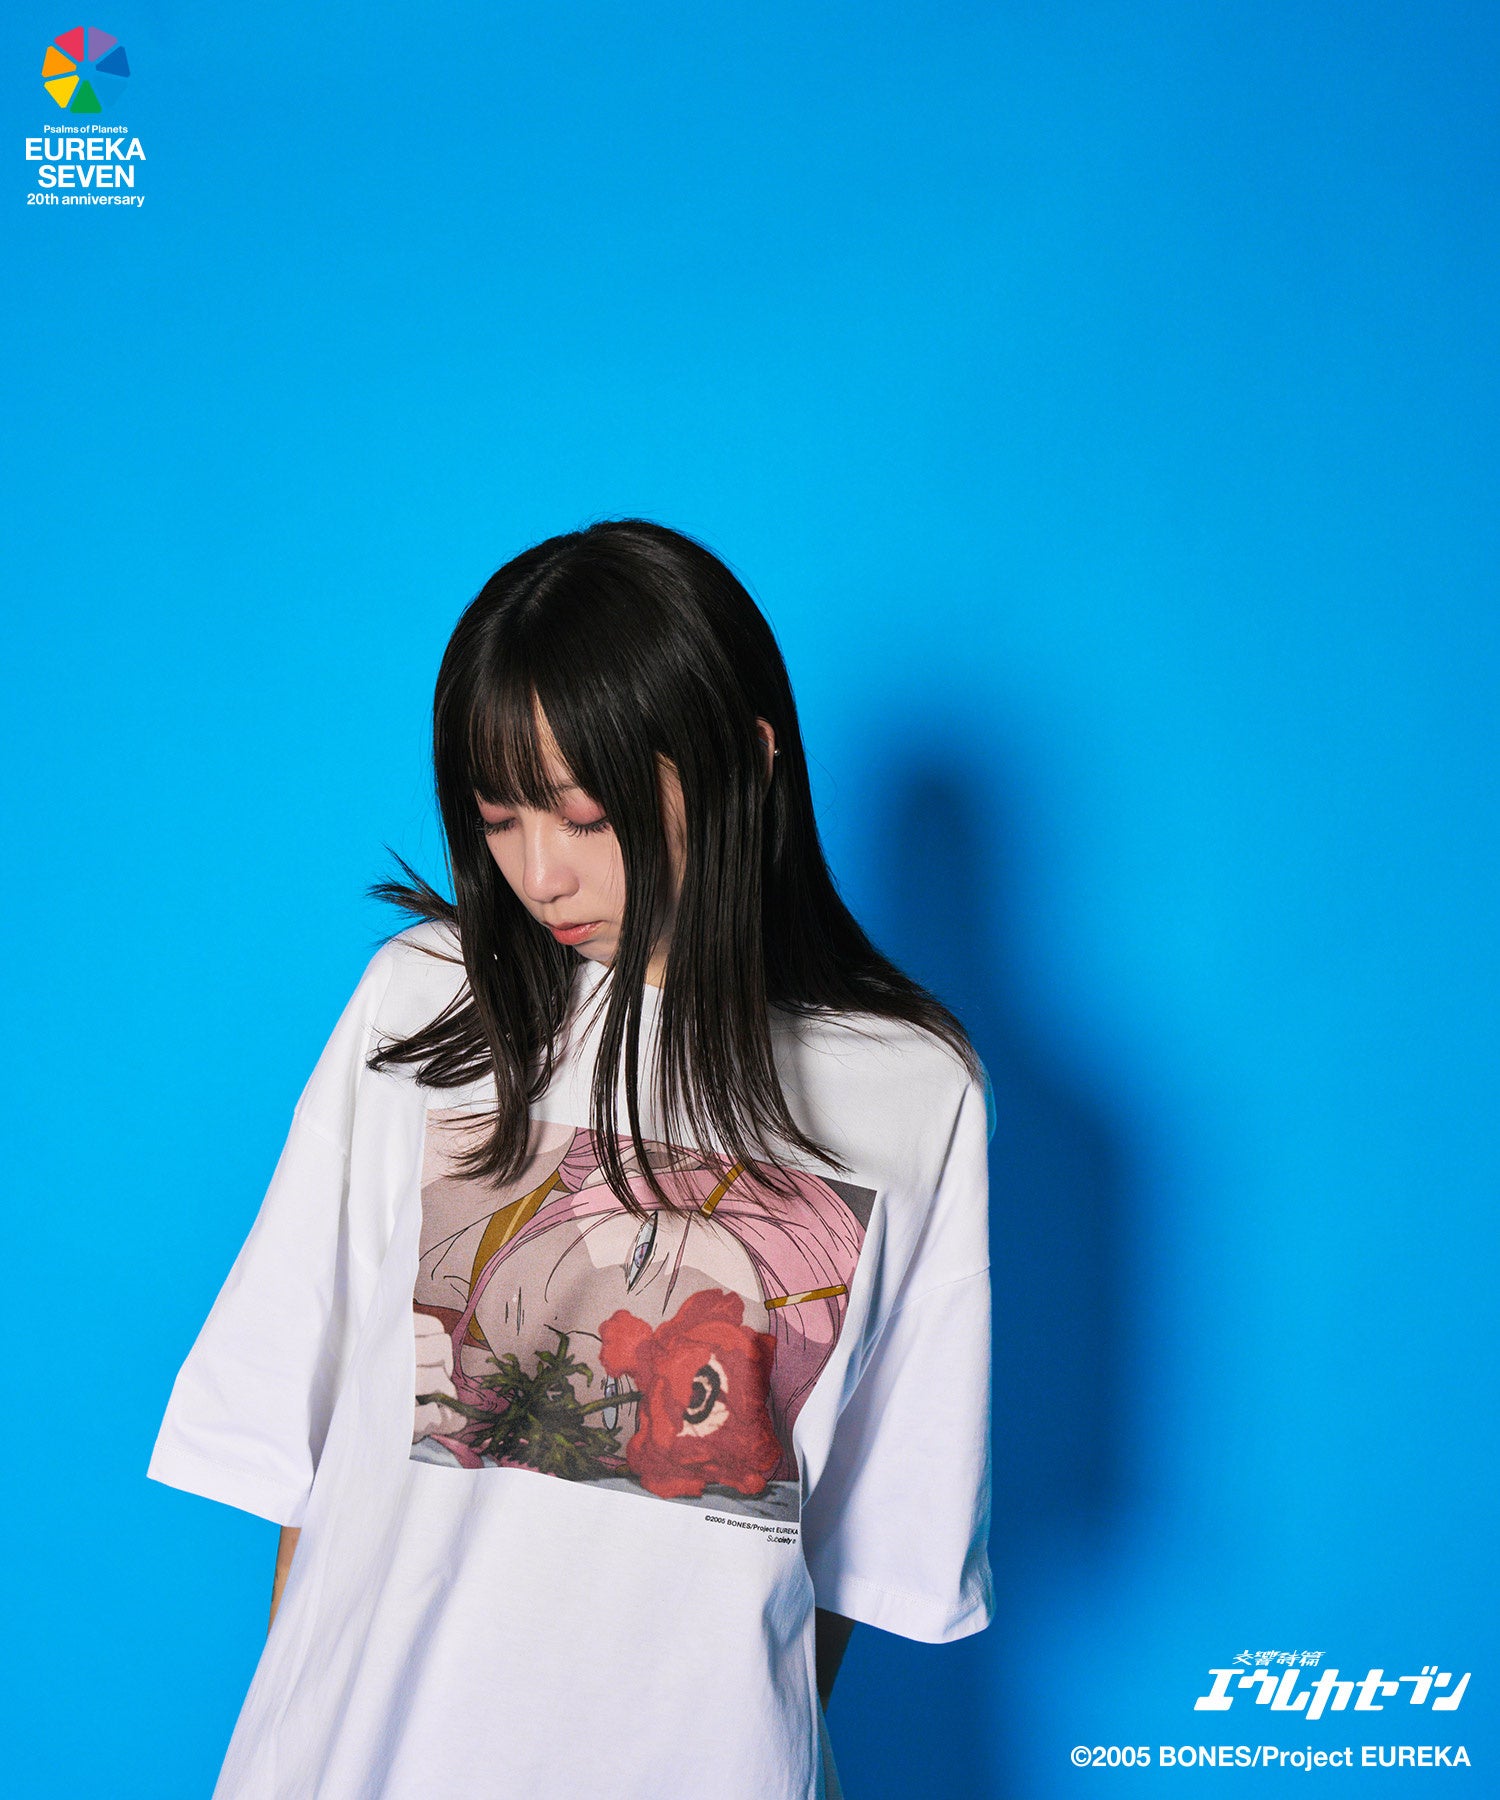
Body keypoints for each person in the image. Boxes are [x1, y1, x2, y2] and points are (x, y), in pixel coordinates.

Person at [148, 519, 995, 1799]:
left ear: (748, 759)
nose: (539, 874)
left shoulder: (913, 1091)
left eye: (586, 817)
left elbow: (858, 1554)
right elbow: (304, 1457)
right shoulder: (426, 1007)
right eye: (499, 819)